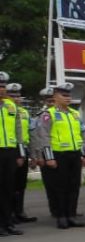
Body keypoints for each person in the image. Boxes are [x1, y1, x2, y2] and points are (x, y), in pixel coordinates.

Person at [32, 82, 85, 230]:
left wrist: (84, 155)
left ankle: (72, 215)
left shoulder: (74, 114)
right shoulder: (48, 114)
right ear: (56, 97)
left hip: (74, 153)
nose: (68, 98)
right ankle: (61, 216)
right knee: (60, 186)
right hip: (58, 154)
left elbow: (81, 136)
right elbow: (44, 137)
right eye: (64, 95)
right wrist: (49, 157)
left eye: (69, 95)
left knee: (74, 186)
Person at [0, 73, 25, 235]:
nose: (2, 89)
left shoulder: (11, 106)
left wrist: (20, 154)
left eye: (3, 86)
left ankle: (7, 222)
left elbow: (18, 132)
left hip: (9, 152)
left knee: (8, 188)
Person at [7, 83, 36, 224]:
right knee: (9, 184)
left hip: (23, 149)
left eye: (18, 96)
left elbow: (30, 134)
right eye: (12, 96)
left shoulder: (24, 112)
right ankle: (9, 213)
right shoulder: (6, 111)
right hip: (10, 150)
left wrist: (33, 156)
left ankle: (19, 211)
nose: (16, 98)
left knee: (20, 184)